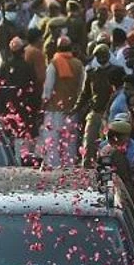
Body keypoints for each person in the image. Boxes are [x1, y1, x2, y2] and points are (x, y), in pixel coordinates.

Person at [40, 36, 85, 168]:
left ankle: (54, 168)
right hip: (72, 110)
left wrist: (44, 103)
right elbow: (82, 88)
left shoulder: (53, 64)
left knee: (53, 141)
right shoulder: (78, 64)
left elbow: (48, 88)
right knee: (70, 142)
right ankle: (69, 168)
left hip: (55, 111)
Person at [75, 44, 121, 167]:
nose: (101, 58)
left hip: (111, 112)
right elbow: (85, 94)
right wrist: (76, 108)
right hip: (95, 111)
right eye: (98, 55)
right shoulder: (91, 73)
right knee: (89, 142)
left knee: (109, 143)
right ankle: (87, 167)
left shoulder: (116, 71)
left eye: (103, 55)